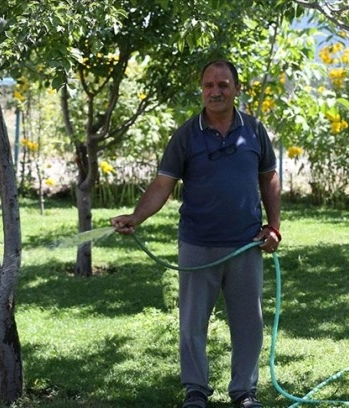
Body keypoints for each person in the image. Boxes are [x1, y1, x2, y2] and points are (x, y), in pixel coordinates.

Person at [111, 59, 281, 408]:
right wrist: (136, 217)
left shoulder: (254, 130)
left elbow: (269, 177)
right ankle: (195, 391)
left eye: (223, 84)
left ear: (237, 88)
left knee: (249, 324)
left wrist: (274, 227)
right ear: (201, 89)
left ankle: (244, 391)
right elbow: (162, 185)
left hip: (245, 245)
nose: (215, 91)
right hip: (197, 243)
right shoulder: (186, 135)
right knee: (192, 324)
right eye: (208, 85)